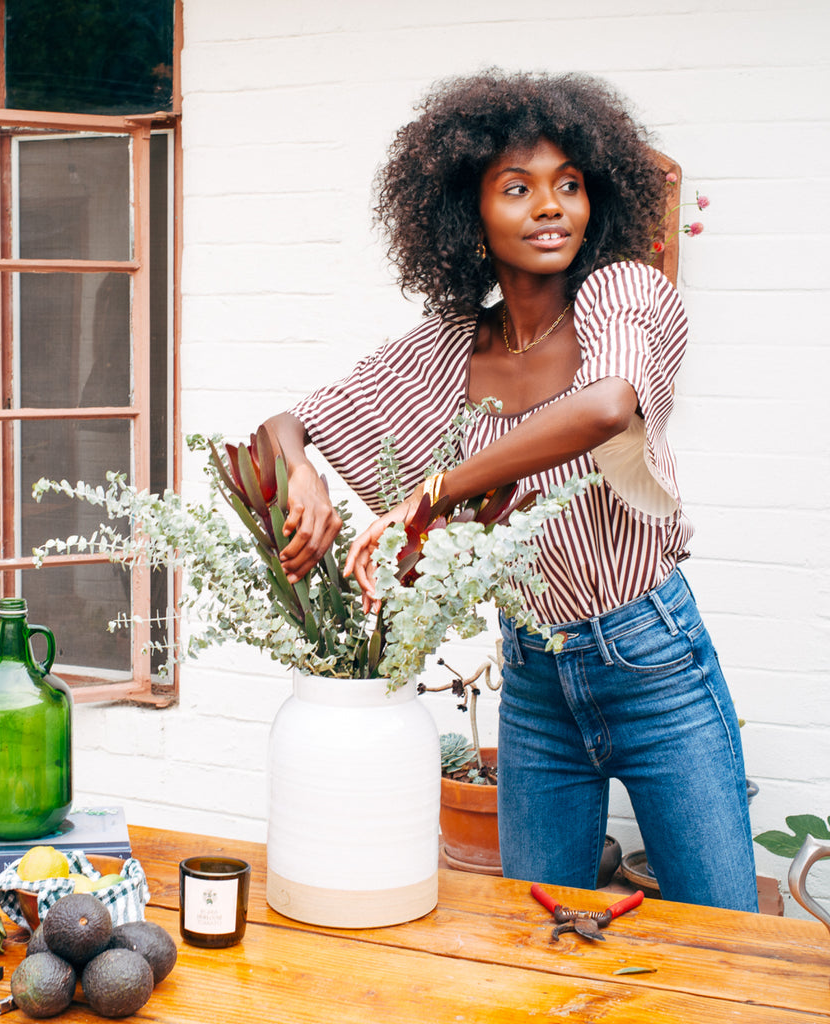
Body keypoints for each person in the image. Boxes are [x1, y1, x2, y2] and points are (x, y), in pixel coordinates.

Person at [260, 69, 758, 912]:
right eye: (518, 188)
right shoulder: (446, 350)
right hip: (532, 680)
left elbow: (605, 408)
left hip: (654, 663)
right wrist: (298, 468)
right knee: (540, 940)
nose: (551, 206)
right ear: (469, 211)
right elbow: (289, 422)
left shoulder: (624, 295)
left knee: (726, 936)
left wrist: (433, 491)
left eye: (569, 185)